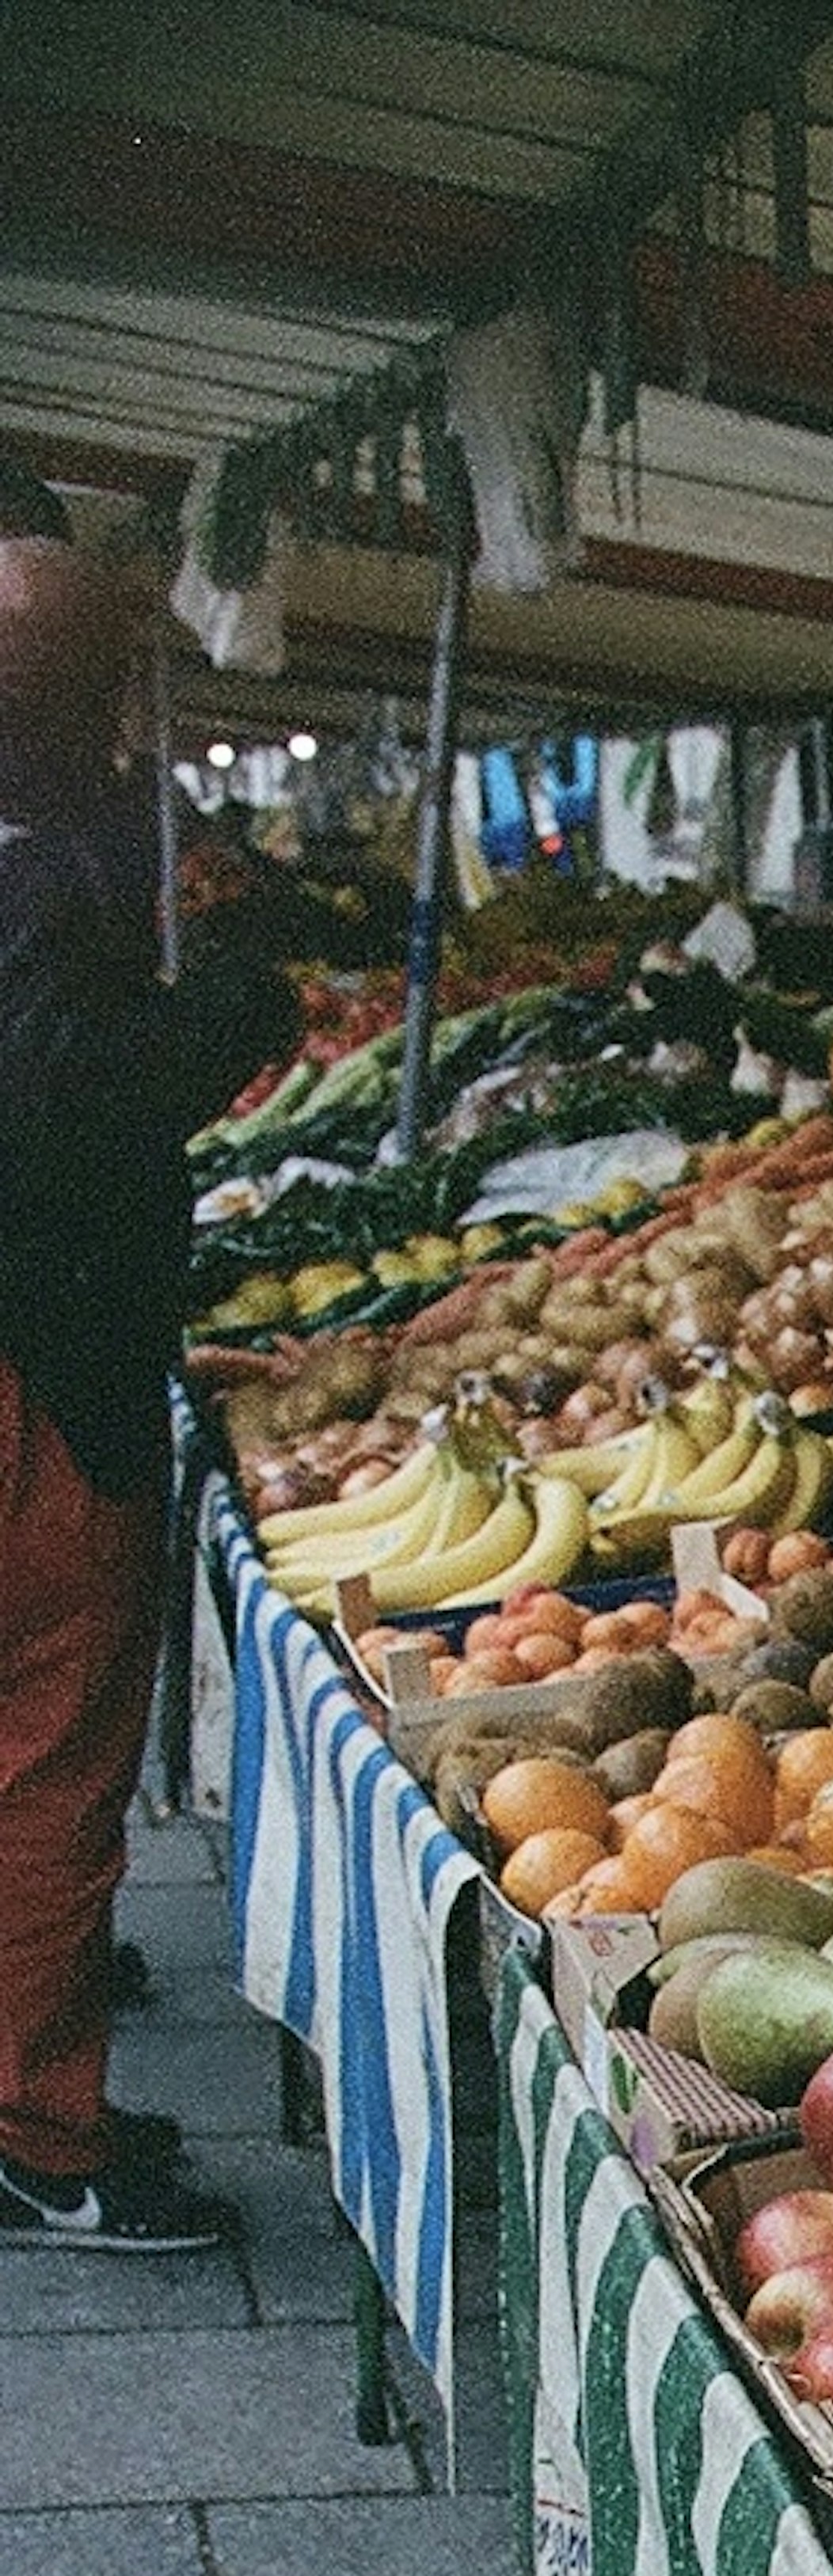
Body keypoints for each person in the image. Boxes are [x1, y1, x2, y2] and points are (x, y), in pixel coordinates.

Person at [0, 532, 245, 2247]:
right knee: (53, 1753)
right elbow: (63, 1094)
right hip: (44, 1358)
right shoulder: (49, 845)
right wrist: (230, 1016)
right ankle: (36, 2139)